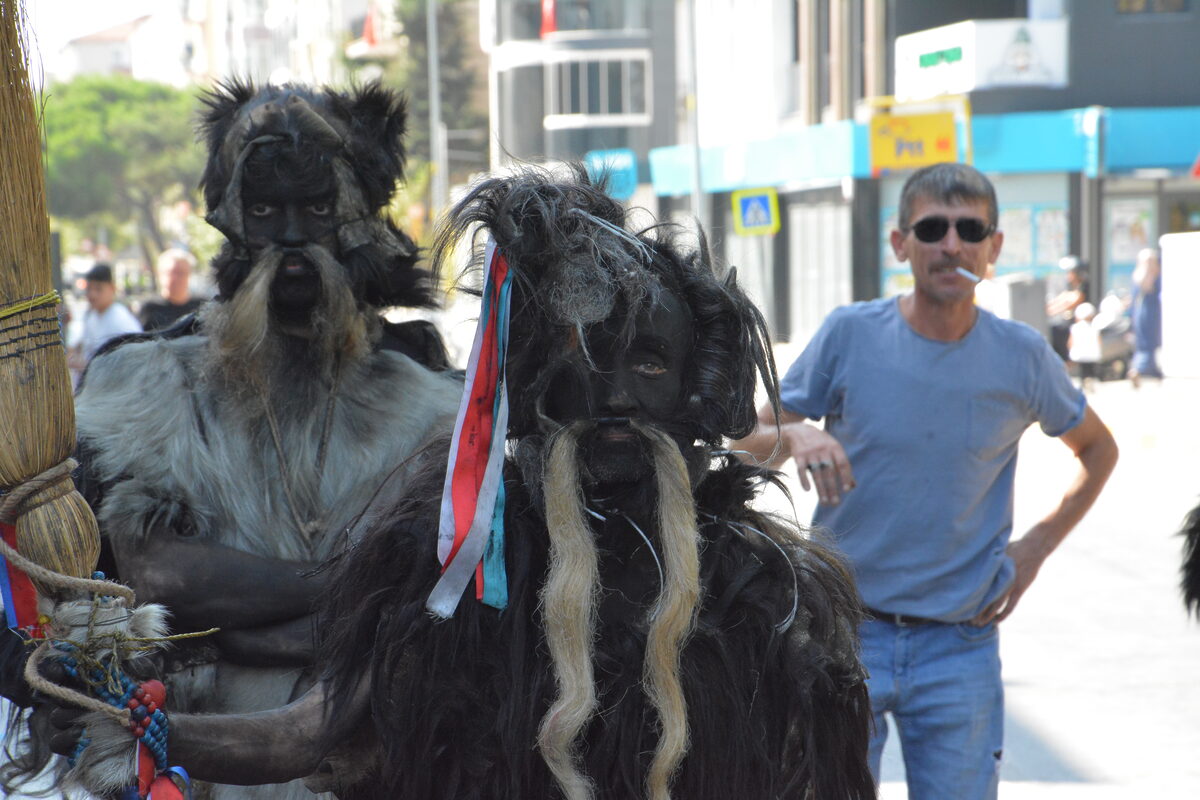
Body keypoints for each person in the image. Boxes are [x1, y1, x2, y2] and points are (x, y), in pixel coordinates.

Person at [55, 167, 875, 800]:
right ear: (528, 381)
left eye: (649, 362)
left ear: (698, 390)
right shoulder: (445, 568)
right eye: (586, 360)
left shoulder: (769, 592)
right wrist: (126, 723)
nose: (616, 394)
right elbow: (306, 734)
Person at [3, 81, 463, 800]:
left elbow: (440, 592)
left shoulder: (431, 405)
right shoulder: (156, 384)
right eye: (266, 211)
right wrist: (359, 594)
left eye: (314, 210)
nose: (289, 240)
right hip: (196, 766)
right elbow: (155, 572)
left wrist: (258, 626)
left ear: (356, 220)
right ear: (231, 220)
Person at [732, 162, 1119, 800]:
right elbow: (742, 446)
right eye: (933, 227)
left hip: (959, 646)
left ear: (994, 248)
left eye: (970, 229)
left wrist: (1036, 548)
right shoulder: (849, 334)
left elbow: (1099, 449)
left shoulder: (1022, 356)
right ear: (900, 243)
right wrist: (797, 433)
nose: (951, 244)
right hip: (844, 636)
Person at [68, 262, 142, 370]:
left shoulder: (121, 320)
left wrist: (87, 367)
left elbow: (134, 360)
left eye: (98, 289)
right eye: (89, 289)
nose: (92, 294)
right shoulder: (92, 315)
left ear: (112, 288)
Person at [138, 248, 204, 331]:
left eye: (181, 273)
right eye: (171, 273)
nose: (175, 278)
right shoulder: (150, 308)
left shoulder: (202, 306)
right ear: (159, 274)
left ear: (189, 275)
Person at [1129, 247, 1163, 386]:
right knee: (1146, 339)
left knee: (1148, 339)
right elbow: (1145, 285)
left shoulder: (1140, 274)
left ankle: (1145, 368)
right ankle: (1140, 368)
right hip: (1146, 311)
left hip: (1146, 310)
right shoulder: (1145, 274)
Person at [1047, 254, 1091, 361]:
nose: (1068, 276)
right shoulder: (1068, 291)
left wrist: (1051, 311)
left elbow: (1064, 305)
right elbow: (1056, 302)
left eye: (1070, 273)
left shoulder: (1079, 292)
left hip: (1073, 328)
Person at [1068, 301, 1101, 392]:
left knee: (1082, 369)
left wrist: (1070, 349)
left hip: (1080, 353)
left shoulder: (1075, 327)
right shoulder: (1094, 327)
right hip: (1092, 353)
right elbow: (1099, 341)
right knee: (1090, 368)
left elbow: (1071, 341)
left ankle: (1084, 382)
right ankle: (1089, 380)